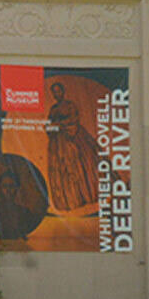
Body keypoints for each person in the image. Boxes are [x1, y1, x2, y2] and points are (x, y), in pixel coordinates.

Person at [44, 80, 99, 212]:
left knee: (82, 164)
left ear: (63, 92)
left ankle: (88, 195)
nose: (57, 94)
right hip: (58, 142)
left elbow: (74, 120)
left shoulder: (70, 105)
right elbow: (50, 124)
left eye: (58, 91)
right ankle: (72, 200)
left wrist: (60, 124)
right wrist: (51, 127)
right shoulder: (53, 109)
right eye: (54, 92)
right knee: (63, 169)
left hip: (74, 137)